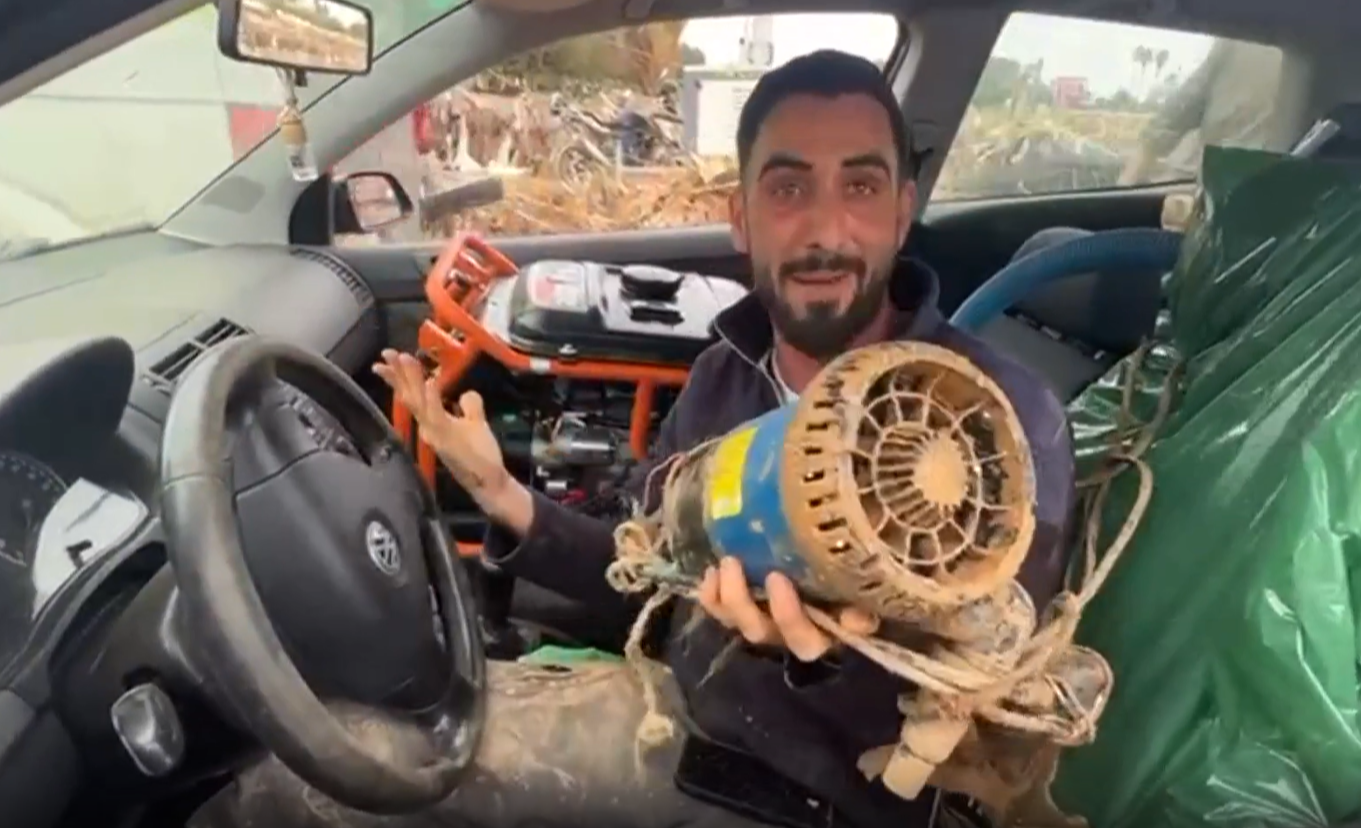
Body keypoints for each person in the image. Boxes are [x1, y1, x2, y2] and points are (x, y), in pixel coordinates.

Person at [189, 49, 1076, 829]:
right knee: (357, 721)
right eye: (787, 187)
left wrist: (813, 663)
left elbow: (981, 732)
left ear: (902, 209)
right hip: (678, 686)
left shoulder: (998, 428)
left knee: (320, 780)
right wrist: (502, 495)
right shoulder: (726, 371)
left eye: (861, 186)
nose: (825, 229)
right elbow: (645, 566)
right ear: (741, 216)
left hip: (809, 788)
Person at [1117, 37, 1283, 185]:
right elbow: (1187, 101)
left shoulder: (1242, 37)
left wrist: (1137, 164)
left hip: (1222, 178)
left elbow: (1189, 99)